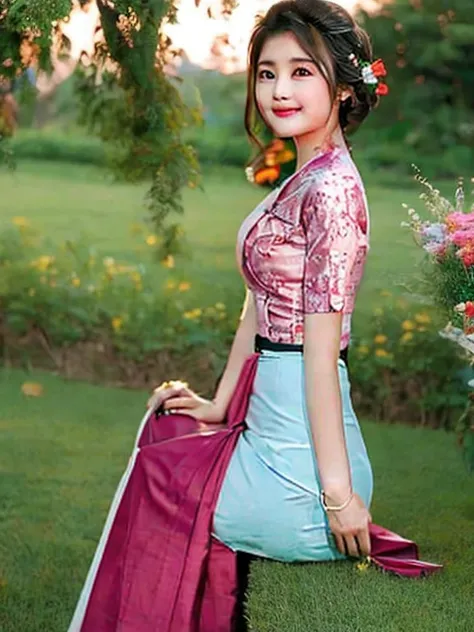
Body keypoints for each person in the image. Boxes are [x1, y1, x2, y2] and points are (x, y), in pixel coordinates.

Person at [70, 2, 438, 631]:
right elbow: (257, 304)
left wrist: (340, 498)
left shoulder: (330, 191)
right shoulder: (302, 176)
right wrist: (216, 405)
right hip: (269, 424)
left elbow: (320, 357)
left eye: (301, 72)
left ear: (344, 86)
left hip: (303, 477)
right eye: (267, 73)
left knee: (155, 476)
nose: (279, 90)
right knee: (164, 433)